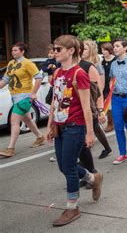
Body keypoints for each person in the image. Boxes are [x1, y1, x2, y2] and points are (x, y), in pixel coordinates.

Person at [45, 35, 103, 227]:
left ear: (71, 51)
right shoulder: (57, 73)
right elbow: (55, 101)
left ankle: (72, 207)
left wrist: (89, 132)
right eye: (54, 49)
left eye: (58, 49)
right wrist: (50, 125)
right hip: (60, 127)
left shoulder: (80, 74)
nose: (54, 52)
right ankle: (93, 178)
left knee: (68, 167)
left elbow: (86, 107)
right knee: (63, 166)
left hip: (75, 126)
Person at [0, 43, 45, 158]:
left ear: (22, 51)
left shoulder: (28, 63)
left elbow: (39, 78)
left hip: (24, 97)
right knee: (28, 120)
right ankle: (40, 137)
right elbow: (4, 81)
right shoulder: (11, 63)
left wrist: (33, 93)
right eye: (12, 50)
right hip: (14, 96)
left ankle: (10, 149)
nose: (12, 52)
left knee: (14, 121)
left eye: (15, 50)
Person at [81, 40, 111, 160]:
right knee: (94, 126)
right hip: (84, 97)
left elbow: (100, 86)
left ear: (91, 51)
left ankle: (83, 153)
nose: (83, 51)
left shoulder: (96, 65)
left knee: (92, 125)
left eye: (86, 49)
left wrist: (99, 107)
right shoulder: (79, 63)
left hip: (92, 99)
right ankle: (106, 148)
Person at [100, 42, 116, 132]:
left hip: (113, 84)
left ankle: (111, 123)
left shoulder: (115, 60)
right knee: (106, 104)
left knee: (111, 104)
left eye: (105, 50)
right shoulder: (102, 61)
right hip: (104, 84)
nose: (103, 52)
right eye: (102, 50)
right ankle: (111, 122)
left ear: (109, 50)